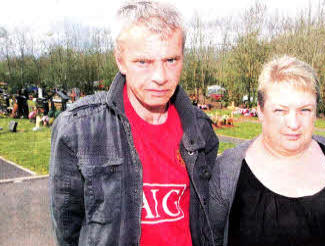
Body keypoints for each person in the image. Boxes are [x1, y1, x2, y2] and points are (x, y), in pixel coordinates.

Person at [49, 1, 219, 245]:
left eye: (171, 60)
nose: (160, 77)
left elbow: (204, 219)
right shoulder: (78, 129)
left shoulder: (200, 129)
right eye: (143, 62)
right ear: (121, 61)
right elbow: (67, 229)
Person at [209, 55, 325, 246]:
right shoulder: (226, 173)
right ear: (260, 111)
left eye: (305, 110)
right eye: (280, 110)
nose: (293, 123)